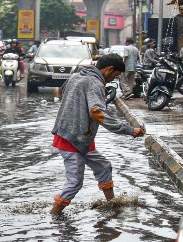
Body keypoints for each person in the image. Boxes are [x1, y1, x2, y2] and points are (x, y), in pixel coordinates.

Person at [50, 53, 146, 215]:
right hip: (72, 139)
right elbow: (96, 113)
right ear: (109, 70)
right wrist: (128, 130)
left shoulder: (76, 76)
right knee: (74, 183)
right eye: (115, 75)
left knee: (103, 166)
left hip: (79, 136)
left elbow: (64, 90)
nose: (112, 79)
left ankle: (112, 205)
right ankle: (54, 215)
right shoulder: (95, 83)